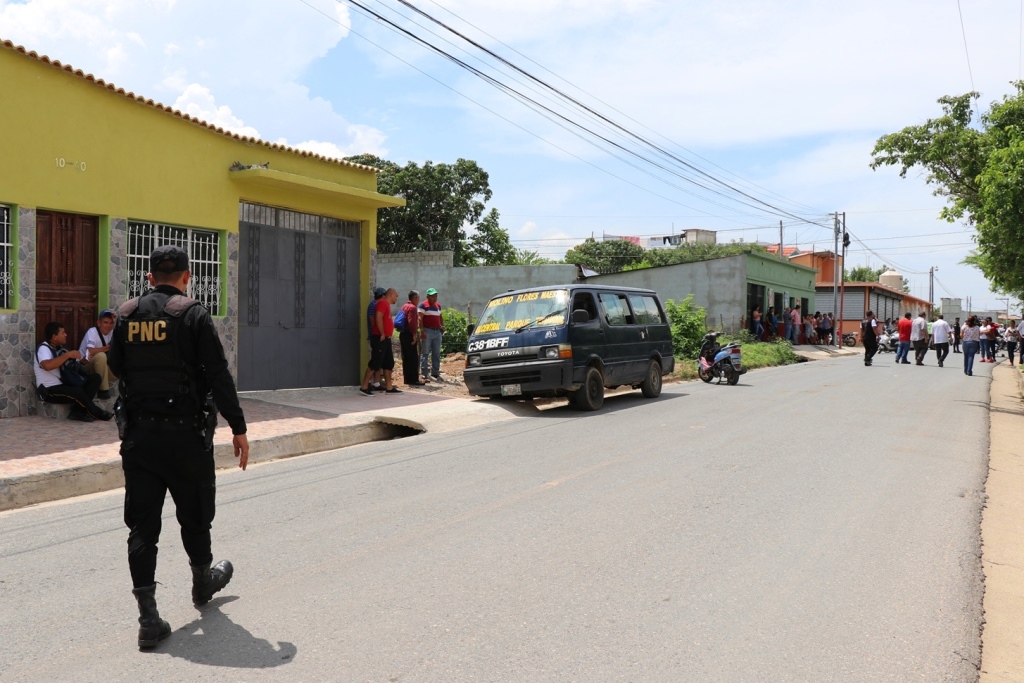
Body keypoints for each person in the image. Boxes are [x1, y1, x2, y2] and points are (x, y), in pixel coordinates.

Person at [107, 245, 249, 650]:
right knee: (196, 517)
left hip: (140, 439)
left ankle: (148, 618)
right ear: (186, 277)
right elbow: (218, 374)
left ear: (150, 278)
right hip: (186, 438)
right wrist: (238, 427)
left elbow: (116, 366)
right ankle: (202, 583)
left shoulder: (126, 314)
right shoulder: (193, 314)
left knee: (142, 527)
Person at [34, 321, 113, 422]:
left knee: (95, 378)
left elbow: (73, 367)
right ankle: (97, 412)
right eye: (63, 333)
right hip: (49, 390)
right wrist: (68, 355)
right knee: (76, 391)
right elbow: (47, 366)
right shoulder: (43, 348)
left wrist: (84, 361)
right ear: (54, 336)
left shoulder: (62, 350)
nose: (66, 335)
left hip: (65, 384)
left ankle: (77, 412)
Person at [360, 287, 401, 396]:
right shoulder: (382, 304)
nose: (397, 298)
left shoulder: (386, 305)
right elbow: (378, 317)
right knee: (375, 362)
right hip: (379, 337)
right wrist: (382, 333)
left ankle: (389, 387)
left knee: (388, 363)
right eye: (396, 296)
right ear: (391, 295)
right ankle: (364, 386)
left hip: (386, 338)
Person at [79, 309, 118, 399]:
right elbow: (90, 351)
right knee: (101, 356)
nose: (108, 325)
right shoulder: (92, 332)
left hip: (101, 368)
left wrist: (116, 321)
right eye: (105, 322)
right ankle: (103, 390)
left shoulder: (112, 332)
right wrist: (107, 348)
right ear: (99, 323)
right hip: (85, 366)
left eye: (111, 323)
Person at [399, 290, 425, 386]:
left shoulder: (404, 306)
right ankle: (414, 379)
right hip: (409, 334)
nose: (419, 300)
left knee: (405, 357)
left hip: (402, 334)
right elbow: (411, 321)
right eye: (418, 298)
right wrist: (414, 334)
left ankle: (407, 379)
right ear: (414, 298)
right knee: (413, 357)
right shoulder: (413, 308)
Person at [419, 287, 444, 381]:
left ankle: (435, 372)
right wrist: (422, 331)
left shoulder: (438, 306)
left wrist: (442, 326)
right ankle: (424, 373)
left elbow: (440, 317)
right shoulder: (423, 305)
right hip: (427, 331)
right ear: (428, 296)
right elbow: (420, 318)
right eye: (433, 296)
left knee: (436, 353)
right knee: (425, 353)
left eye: (436, 296)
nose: (435, 298)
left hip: (437, 331)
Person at [365, 288, 386, 391]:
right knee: (374, 361)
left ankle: (376, 383)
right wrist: (379, 333)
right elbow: (373, 321)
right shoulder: (374, 305)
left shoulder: (378, 305)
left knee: (378, 360)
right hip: (376, 336)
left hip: (379, 336)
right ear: (382, 296)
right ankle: (367, 383)